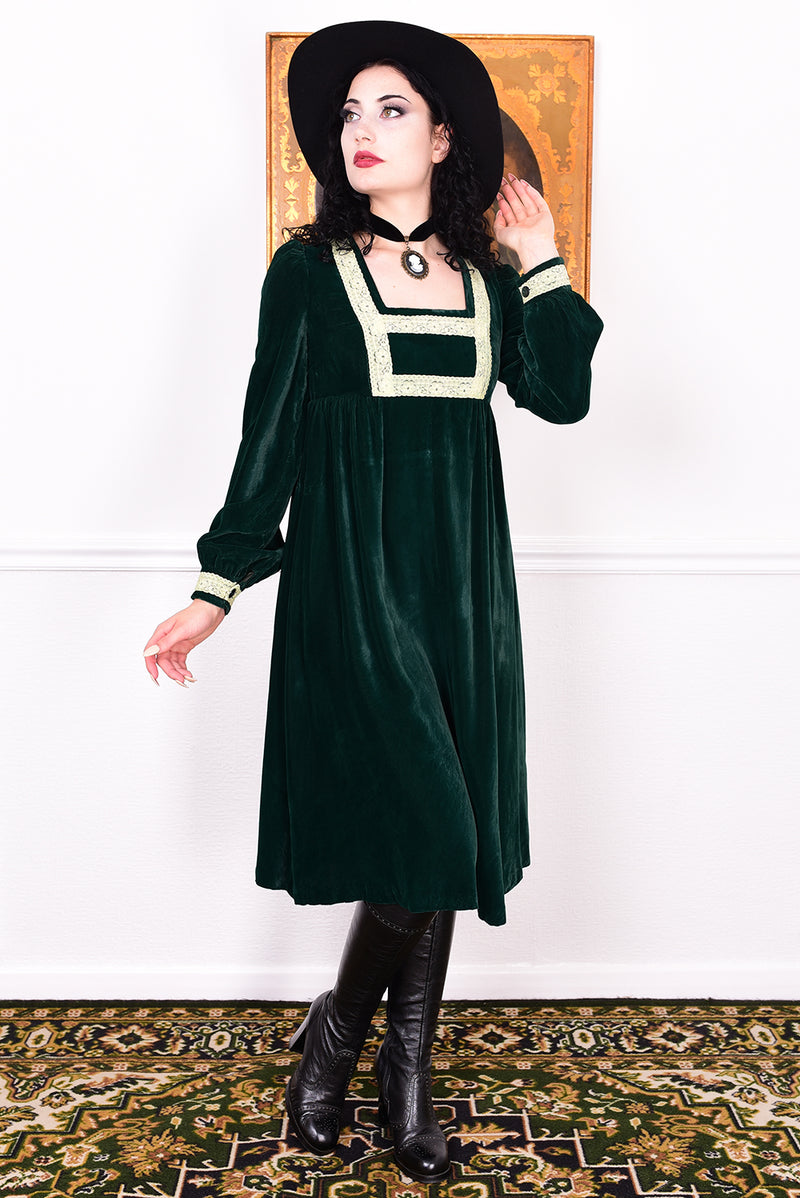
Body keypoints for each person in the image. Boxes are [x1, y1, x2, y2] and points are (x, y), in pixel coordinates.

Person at [143, 20, 603, 1183]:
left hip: (463, 598)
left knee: (435, 843)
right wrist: (219, 583)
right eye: (349, 113)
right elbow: (270, 435)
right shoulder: (305, 272)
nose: (361, 131)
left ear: (445, 136)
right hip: (353, 594)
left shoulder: (489, 282)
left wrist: (543, 259)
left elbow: (558, 396)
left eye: (390, 110)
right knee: (432, 826)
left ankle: (358, 1062)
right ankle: (379, 1073)